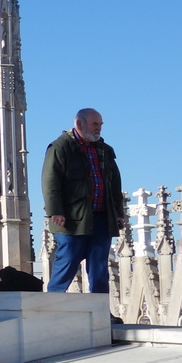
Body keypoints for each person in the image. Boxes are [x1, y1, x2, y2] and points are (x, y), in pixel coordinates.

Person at [41, 107, 124, 295]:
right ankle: (52, 306)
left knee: (99, 267)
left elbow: (115, 184)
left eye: (100, 125)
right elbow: (50, 180)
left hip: (102, 217)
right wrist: (56, 210)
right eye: (95, 124)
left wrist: (118, 214)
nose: (99, 129)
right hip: (72, 218)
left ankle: (100, 310)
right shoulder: (61, 147)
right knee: (68, 260)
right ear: (80, 124)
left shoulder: (106, 150)